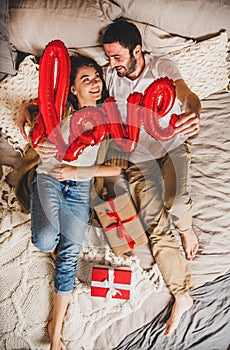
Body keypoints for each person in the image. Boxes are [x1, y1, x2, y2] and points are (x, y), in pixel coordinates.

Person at [18, 20, 201, 336]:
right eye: (108, 59)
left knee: (172, 202)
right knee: (149, 222)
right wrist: (28, 109)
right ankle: (183, 294)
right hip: (132, 157)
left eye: (117, 58)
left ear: (137, 51)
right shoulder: (106, 86)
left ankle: (186, 230)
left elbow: (188, 97)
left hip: (165, 146)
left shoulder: (161, 67)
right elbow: (59, 99)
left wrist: (193, 113)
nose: (111, 66)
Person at [28, 54, 121, 350]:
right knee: (44, 240)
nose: (94, 83)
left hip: (79, 188)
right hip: (48, 179)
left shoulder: (109, 118)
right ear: (72, 90)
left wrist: (76, 171)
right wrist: (32, 132)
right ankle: (60, 253)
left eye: (96, 78)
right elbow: (30, 113)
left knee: (68, 256)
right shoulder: (61, 111)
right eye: (86, 79)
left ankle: (56, 333)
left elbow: (117, 169)